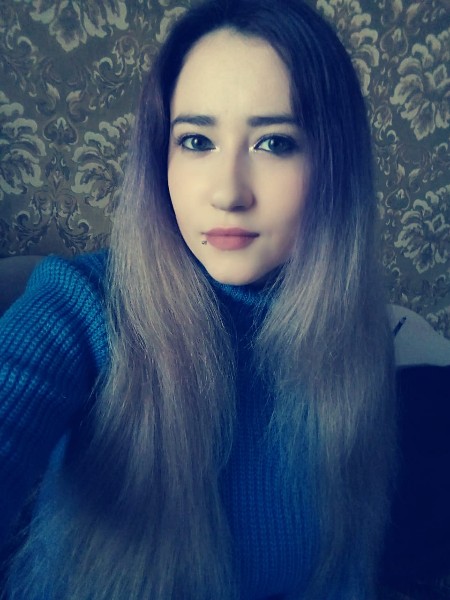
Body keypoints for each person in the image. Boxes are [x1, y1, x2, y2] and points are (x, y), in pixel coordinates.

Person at [0, 0, 398, 598]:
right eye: (195, 140)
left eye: (274, 143)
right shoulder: (81, 305)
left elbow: (343, 571)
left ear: (335, 166)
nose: (228, 193)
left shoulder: (358, 335)